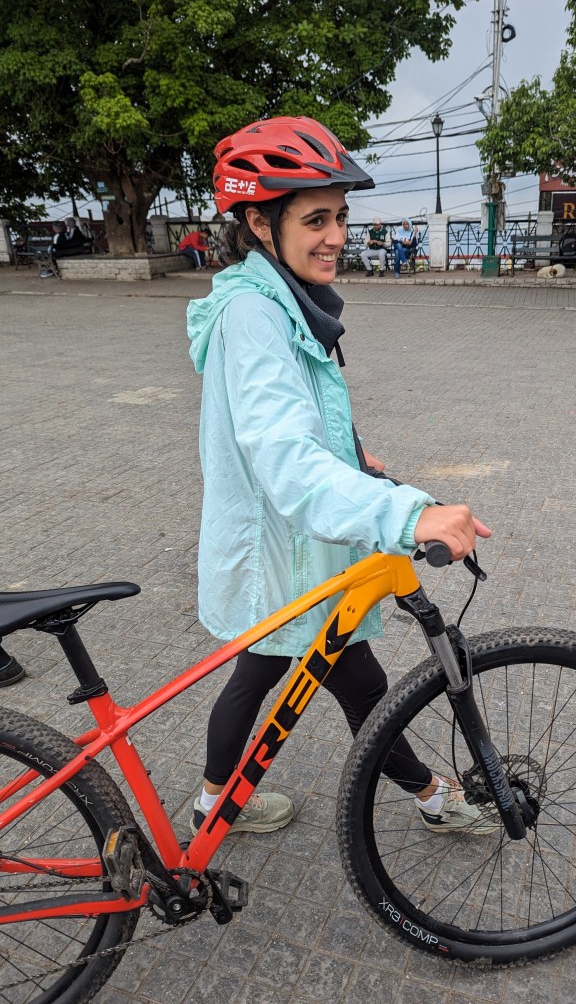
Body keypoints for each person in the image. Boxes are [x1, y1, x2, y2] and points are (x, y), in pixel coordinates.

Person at [185, 116, 495, 838]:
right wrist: (408, 514)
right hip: (286, 552)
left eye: (340, 217)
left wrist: (353, 458)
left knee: (271, 674)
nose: (335, 236)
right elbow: (284, 459)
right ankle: (431, 798)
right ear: (259, 223)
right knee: (355, 682)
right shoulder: (255, 314)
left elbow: (292, 421)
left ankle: (213, 806)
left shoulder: (276, 298)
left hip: (294, 550)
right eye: (315, 219)